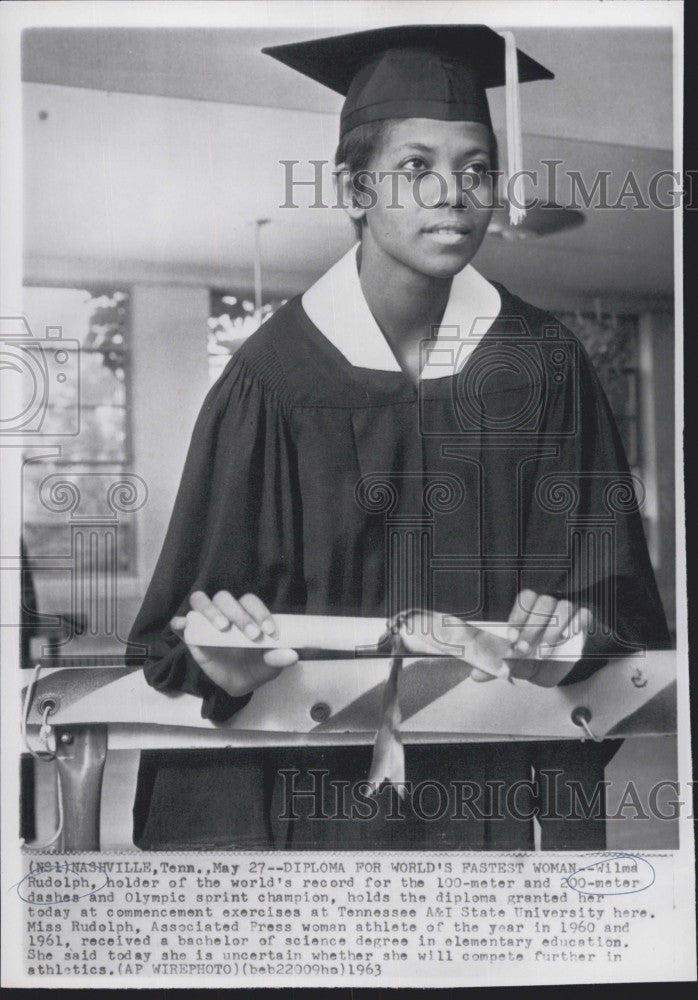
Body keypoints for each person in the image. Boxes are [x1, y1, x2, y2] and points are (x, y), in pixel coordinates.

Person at [129, 25, 670, 851]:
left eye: (475, 168)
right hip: (307, 808)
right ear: (353, 190)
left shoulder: (545, 369)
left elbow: (619, 608)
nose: (453, 193)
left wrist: (567, 639)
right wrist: (221, 660)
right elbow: (180, 634)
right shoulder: (270, 382)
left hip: (492, 796)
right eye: (415, 168)